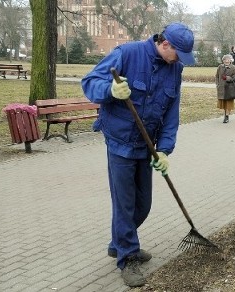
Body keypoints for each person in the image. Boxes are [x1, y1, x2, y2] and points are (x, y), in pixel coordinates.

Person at [81, 22, 194, 288]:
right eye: (178, 54)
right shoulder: (128, 53)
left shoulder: (174, 69)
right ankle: (127, 257)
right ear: (165, 44)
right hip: (119, 142)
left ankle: (118, 242)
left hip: (147, 145)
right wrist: (109, 91)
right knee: (125, 203)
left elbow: (171, 114)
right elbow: (89, 82)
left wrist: (164, 150)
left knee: (143, 205)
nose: (180, 61)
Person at [216, 54, 235, 123]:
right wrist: (217, 84)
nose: (226, 61)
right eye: (225, 60)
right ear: (223, 60)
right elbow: (217, 76)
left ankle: (226, 116)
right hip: (221, 88)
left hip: (230, 88)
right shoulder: (220, 67)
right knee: (223, 103)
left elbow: (234, 78)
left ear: (230, 60)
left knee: (228, 103)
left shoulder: (234, 68)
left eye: (228, 59)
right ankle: (225, 114)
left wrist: (227, 78)